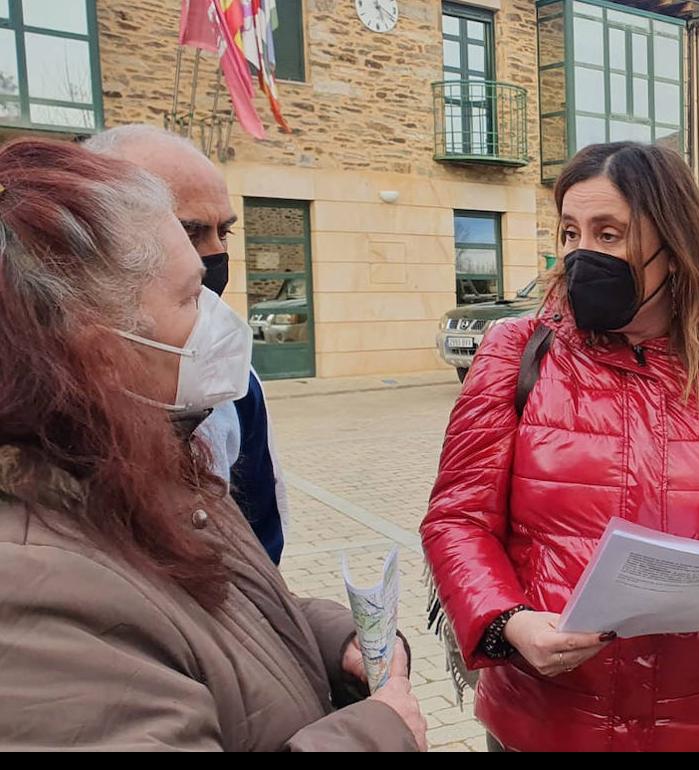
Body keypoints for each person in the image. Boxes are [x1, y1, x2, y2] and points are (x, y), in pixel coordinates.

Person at [421, 141, 699, 752]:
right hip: (549, 716)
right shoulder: (516, 352)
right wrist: (507, 622)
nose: (582, 255)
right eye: (571, 233)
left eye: (610, 234)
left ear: (674, 244)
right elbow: (456, 519)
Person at [0, 138, 425, 751]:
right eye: (189, 296)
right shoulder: (30, 594)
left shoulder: (143, 457)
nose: (217, 317)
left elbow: (215, 615)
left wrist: (332, 638)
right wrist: (377, 735)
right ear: (92, 347)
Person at [85, 125, 288, 565]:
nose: (213, 256)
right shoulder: (32, 399)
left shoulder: (236, 383)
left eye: (224, 233)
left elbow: (261, 541)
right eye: (190, 232)